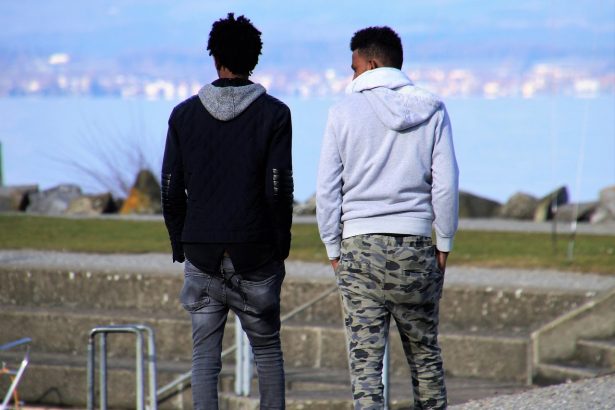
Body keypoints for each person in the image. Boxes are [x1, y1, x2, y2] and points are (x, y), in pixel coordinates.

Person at [316, 25, 458, 410]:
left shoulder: (341, 113)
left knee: (365, 368)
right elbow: (445, 185)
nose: (351, 76)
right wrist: (443, 242)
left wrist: (332, 246)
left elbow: (328, 189)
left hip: (359, 248)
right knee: (425, 356)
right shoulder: (432, 109)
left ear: (371, 64)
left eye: (354, 67)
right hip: (415, 246)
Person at [161, 13, 293, 410]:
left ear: (215, 57)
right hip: (256, 252)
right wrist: (280, 244)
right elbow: (278, 189)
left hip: (200, 250)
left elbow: (170, 188)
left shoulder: (183, 115)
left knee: (204, 359)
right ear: (255, 59)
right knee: (266, 351)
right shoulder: (275, 114)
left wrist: (180, 242)